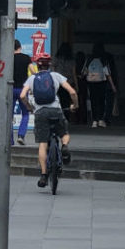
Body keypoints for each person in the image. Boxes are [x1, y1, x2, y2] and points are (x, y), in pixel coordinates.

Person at [19, 54, 78, 188]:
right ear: (49, 65)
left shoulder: (32, 79)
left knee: (42, 142)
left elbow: (23, 95)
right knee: (64, 133)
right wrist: (75, 105)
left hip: (40, 113)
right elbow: (72, 92)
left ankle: (44, 175)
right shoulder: (56, 76)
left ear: (37, 65)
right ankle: (64, 146)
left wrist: (29, 107)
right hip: (56, 110)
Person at [82, 43, 116, 128]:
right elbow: (108, 74)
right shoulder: (104, 59)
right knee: (101, 101)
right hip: (102, 82)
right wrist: (113, 86)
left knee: (93, 101)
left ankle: (94, 120)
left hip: (91, 82)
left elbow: (84, 72)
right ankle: (100, 120)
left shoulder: (89, 59)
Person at [12, 41, 32, 144]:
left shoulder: (9, 57)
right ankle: (21, 135)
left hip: (11, 88)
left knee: (8, 116)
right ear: (20, 47)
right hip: (23, 89)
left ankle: (10, 140)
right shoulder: (26, 58)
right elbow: (33, 71)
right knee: (25, 113)